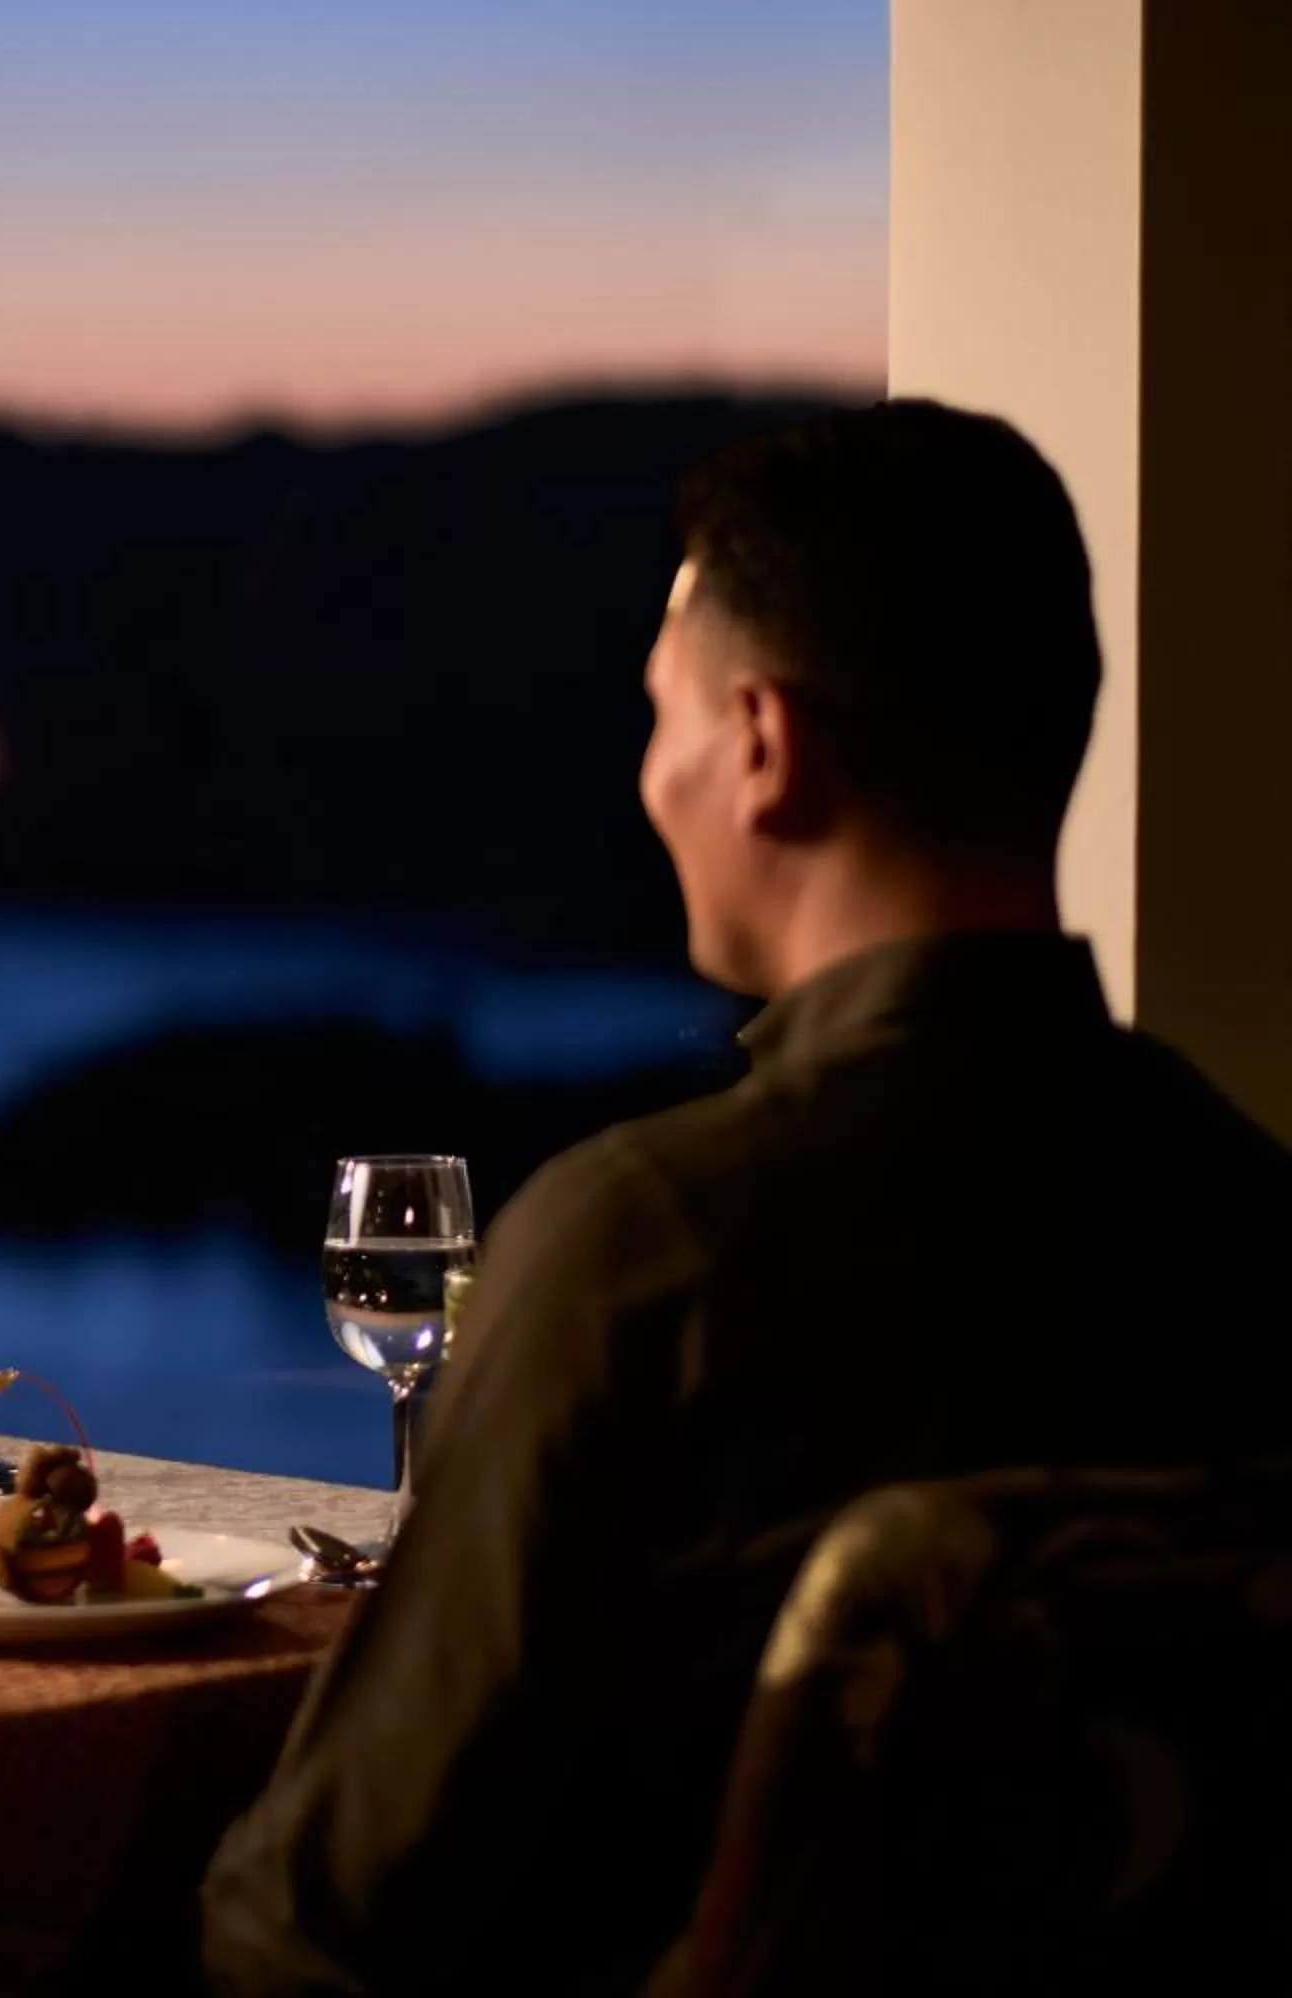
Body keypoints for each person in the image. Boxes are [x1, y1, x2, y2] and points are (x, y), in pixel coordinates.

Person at [199, 400, 1292, 1993]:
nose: (651, 779)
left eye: (665, 717)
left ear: (765, 750)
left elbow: (325, 1923)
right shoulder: (1254, 1207)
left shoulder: (647, 1245)